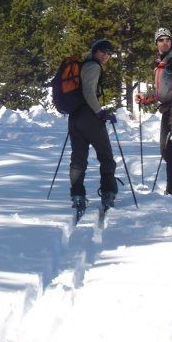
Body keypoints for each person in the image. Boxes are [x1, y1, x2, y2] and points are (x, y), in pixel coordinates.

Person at [135, 28, 172, 198]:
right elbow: (164, 92)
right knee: (169, 150)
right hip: (170, 109)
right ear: (156, 43)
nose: (164, 42)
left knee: (171, 150)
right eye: (161, 40)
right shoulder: (164, 62)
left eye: (167, 39)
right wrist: (147, 97)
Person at [68, 38, 119, 217]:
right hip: (89, 117)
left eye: (110, 53)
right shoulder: (93, 66)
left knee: (78, 159)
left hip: (75, 117)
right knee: (106, 156)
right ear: (95, 51)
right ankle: (108, 193)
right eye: (103, 51)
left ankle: (78, 196)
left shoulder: (83, 64)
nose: (106, 55)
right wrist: (100, 113)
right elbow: (88, 91)